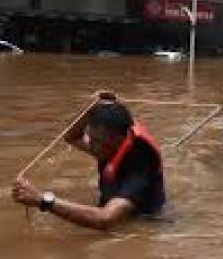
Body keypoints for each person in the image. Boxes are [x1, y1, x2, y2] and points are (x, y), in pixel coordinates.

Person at [12, 94, 165, 230]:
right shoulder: (110, 142)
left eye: (96, 140)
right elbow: (71, 137)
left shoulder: (140, 165)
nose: (89, 144)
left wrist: (42, 200)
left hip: (140, 223)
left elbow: (105, 219)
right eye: (89, 137)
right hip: (114, 204)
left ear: (117, 140)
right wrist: (91, 110)